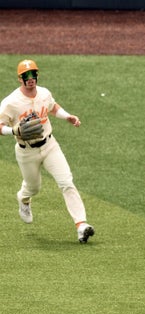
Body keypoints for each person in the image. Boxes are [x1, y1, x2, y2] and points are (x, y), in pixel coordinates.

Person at [0, 59, 94, 243]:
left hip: (50, 145)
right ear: (20, 79)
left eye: (33, 74)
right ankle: (24, 199)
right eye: (26, 76)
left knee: (66, 181)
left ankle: (81, 225)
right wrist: (14, 131)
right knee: (33, 187)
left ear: (37, 75)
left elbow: (52, 107)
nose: (30, 78)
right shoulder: (11, 102)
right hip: (26, 151)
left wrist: (67, 116)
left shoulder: (44, 93)